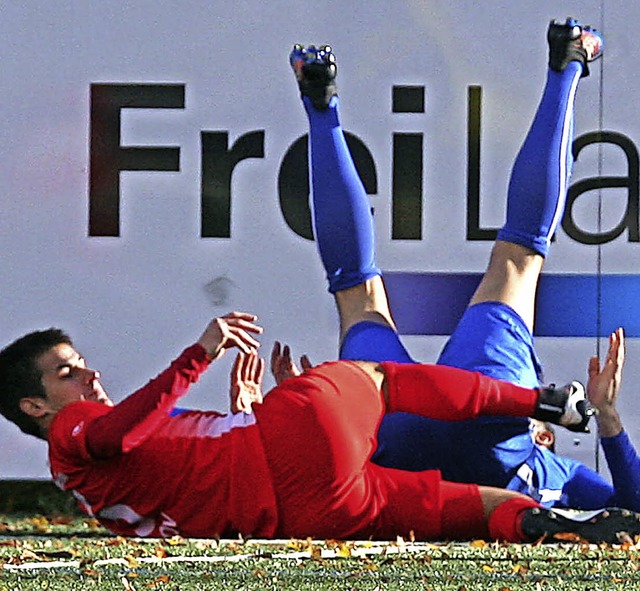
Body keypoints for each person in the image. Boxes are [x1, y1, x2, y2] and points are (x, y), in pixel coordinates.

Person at [286, 18, 640, 511]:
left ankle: (569, 63)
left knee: (517, 257)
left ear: (542, 436)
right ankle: (319, 107)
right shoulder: (559, 475)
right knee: (358, 296)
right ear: (543, 436)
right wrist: (606, 421)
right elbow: (636, 505)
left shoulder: (552, 467)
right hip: (424, 435)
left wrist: (301, 422)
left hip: (435, 428)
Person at [1, 310, 636, 544]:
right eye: (66, 373)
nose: (88, 377)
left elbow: (186, 486)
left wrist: (241, 417)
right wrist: (198, 353)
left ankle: (542, 522)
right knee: (388, 377)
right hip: (293, 445)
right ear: (36, 407)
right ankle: (541, 400)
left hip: (303, 514)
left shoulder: (91, 490)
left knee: (462, 511)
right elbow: (112, 434)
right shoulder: (75, 431)